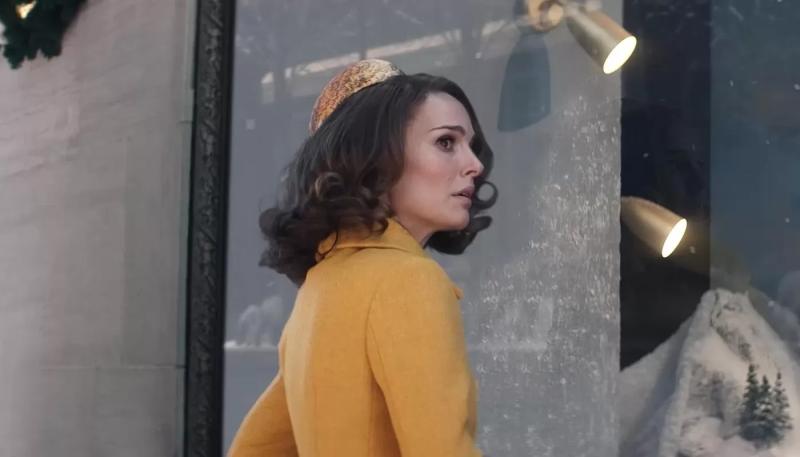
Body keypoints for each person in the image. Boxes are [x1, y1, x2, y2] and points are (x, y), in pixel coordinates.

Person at [228, 59, 497, 457]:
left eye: (471, 146)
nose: (475, 165)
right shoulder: (407, 281)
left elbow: (252, 449)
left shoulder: (321, 286)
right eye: (446, 142)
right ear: (378, 159)